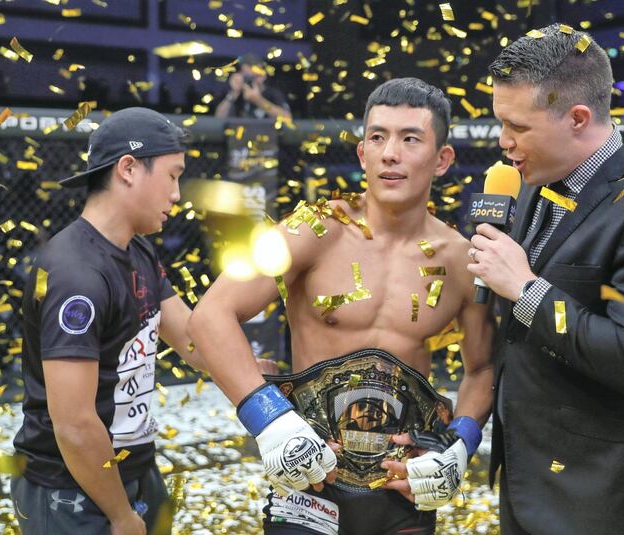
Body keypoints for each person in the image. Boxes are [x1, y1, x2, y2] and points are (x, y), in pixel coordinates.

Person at [190, 78, 494, 534]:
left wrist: (459, 446)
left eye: (410, 138)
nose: (390, 153)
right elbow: (211, 314)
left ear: (443, 159)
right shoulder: (312, 230)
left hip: (402, 488)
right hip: (309, 480)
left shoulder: (460, 259)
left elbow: (483, 368)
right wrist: (270, 421)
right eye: (377, 137)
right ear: (362, 154)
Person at [468, 24, 624, 535]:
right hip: (528, 476)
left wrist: (526, 291)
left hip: (604, 493)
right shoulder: (533, 180)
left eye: (518, 127)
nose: (504, 143)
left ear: (578, 118)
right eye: (499, 123)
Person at [11, 107, 204, 535]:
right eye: (173, 176)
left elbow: (191, 339)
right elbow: (74, 423)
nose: (177, 194)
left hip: (132, 467)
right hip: (71, 487)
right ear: (129, 169)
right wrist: (119, 514)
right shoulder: (73, 272)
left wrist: (258, 380)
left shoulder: (139, 251)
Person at [214, 53, 292, 121]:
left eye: (254, 75)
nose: (250, 79)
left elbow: (287, 118)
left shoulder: (272, 94)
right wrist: (233, 93)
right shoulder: (236, 95)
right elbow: (219, 119)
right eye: (245, 75)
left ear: (263, 75)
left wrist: (258, 100)